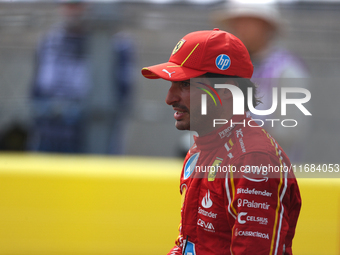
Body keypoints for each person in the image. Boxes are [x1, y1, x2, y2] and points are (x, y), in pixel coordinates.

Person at [141, 29, 301, 255]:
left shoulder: (252, 160)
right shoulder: (203, 146)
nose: (169, 98)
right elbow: (189, 244)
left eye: (185, 84)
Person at [29, 0, 135, 153]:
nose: (73, 11)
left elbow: (123, 97)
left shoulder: (117, 45)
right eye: (68, 5)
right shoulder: (48, 42)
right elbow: (36, 90)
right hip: (48, 138)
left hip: (93, 141)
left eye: (78, 4)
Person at [214, 1, 309, 162]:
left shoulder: (286, 70)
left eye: (247, 22)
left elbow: (291, 130)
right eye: (236, 22)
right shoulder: (226, 67)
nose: (239, 28)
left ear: (267, 27)